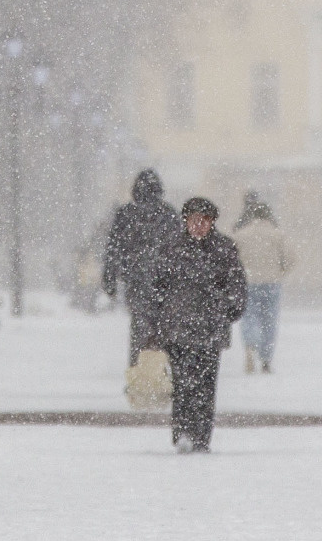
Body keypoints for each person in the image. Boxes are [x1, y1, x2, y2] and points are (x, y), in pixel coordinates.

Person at [155, 196, 247, 451]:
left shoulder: (224, 249)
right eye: (195, 220)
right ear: (186, 221)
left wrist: (229, 309)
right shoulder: (171, 248)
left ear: (212, 222)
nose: (199, 225)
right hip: (178, 329)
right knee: (182, 384)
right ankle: (183, 432)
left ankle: (201, 437)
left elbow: (237, 285)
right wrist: (159, 319)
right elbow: (157, 287)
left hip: (210, 329)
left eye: (205, 220)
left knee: (205, 387)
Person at [102, 169, 181, 362]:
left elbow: (113, 249)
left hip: (135, 281)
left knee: (139, 326)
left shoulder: (126, 214)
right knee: (165, 327)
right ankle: (160, 368)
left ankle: (139, 368)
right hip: (165, 281)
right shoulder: (168, 213)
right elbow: (180, 248)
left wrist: (110, 279)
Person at [232, 192, 289, 374]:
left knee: (249, 316)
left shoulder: (240, 235)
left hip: (248, 282)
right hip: (272, 282)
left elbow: (232, 259)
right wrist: (280, 271)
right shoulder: (276, 234)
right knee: (269, 320)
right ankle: (265, 358)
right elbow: (290, 259)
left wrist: (239, 274)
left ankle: (250, 343)